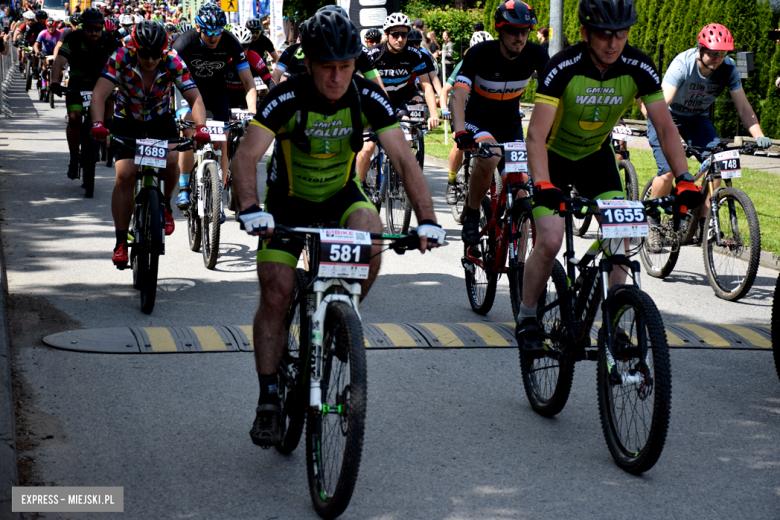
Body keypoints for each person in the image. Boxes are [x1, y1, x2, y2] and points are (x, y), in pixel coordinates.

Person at [231, 9, 445, 447]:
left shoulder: (368, 95)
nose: (336, 77)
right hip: (288, 202)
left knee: (370, 230)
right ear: (308, 64)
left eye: (345, 67)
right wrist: (251, 207)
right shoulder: (285, 96)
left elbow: (404, 159)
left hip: (340, 195)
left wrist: (427, 219)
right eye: (326, 67)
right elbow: (245, 156)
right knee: (275, 288)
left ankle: (341, 321)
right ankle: (269, 398)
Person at [516, 0, 700, 354]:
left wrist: (685, 177)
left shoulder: (639, 65)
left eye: (621, 34)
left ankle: (614, 325)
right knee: (552, 238)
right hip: (552, 157)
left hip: (594, 158)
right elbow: (535, 135)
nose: (613, 43)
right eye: (603, 34)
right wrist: (541, 184)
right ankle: (526, 316)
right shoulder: (563, 66)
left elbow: (664, 126)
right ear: (585, 33)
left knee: (620, 237)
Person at [89, 20, 210, 266]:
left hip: (159, 119)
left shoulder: (172, 59)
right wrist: (98, 124)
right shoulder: (121, 56)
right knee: (125, 175)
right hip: (127, 119)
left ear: (163, 50)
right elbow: (99, 94)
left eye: (156, 54)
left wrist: (201, 128)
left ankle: (164, 205)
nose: (151, 60)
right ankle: (121, 241)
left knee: (172, 158)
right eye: (145, 54)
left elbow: (194, 97)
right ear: (135, 48)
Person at [643, 23, 773, 251]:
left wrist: (758, 135)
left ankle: (703, 224)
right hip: (666, 117)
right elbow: (660, 107)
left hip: (696, 119)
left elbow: (743, 107)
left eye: (722, 54)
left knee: (717, 165)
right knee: (668, 172)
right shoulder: (683, 65)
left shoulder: (729, 69)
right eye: (713, 53)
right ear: (700, 49)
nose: (717, 58)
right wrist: (674, 143)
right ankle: (652, 224)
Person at [450, 0, 548, 242]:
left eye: (524, 30)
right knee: (491, 155)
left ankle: (521, 269)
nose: (519, 36)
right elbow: (458, 95)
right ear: (499, 30)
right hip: (477, 120)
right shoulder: (479, 54)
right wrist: (460, 131)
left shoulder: (536, 54)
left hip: (510, 124)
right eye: (513, 30)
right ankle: (472, 213)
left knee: (522, 191)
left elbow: (556, 95)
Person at [172, 2, 256, 210]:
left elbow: (249, 82)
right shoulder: (184, 43)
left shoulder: (230, 42)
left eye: (218, 31)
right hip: (188, 93)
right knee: (188, 131)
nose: (213, 36)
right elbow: (166, 77)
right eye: (208, 31)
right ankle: (184, 188)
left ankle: (218, 190)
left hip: (217, 94)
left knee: (222, 141)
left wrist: (253, 113)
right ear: (198, 27)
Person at [356, 12, 440, 182]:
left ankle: (396, 178)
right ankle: (359, 187)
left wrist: (434, 113)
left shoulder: (414, 54)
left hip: (397, 101)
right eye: (395, 34)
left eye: (404, 34)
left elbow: (426, 85)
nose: (400, 39)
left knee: (406, 138)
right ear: (386, 34)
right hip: (374, 103)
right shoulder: (373, 53)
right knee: (367, 148)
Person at [51, 7, 122, 179]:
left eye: (98, 29)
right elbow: (59, 61)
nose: (94, 33)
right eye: (90, 28)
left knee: (110, 105)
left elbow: (123, 61)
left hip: (102, 87)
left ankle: (107, 133)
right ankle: (74, 159)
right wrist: (54, 82)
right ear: (83, 27)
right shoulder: (73, 39)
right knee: (74, 119)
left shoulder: (109, 40)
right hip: (77, 86)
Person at [226, 24, 274, 108]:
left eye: (244, 46)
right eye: (238, 46)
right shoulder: (225, 56)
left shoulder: (253, 56)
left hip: (246, 95)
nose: (241, 50)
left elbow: (269, 80)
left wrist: (279, 94)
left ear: (249, 45)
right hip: (226, 96)